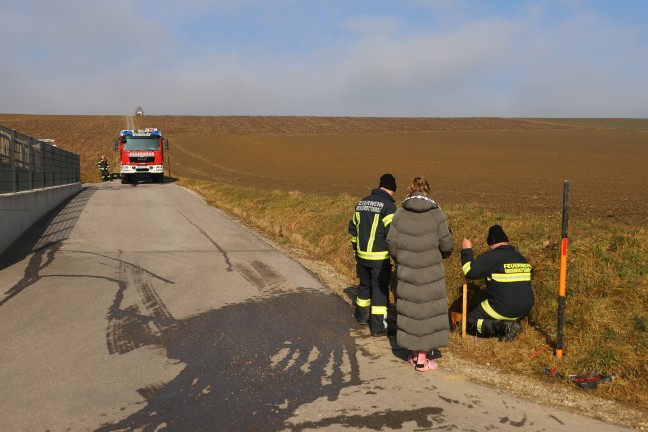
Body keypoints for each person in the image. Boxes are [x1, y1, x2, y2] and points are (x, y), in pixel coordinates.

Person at [386, 176, 454, 372]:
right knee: (426, 312)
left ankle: (415, 354)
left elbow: (391, 242)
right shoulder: (436, 213)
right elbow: (447, 243)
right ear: (427, 191)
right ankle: (423, 360)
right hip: (430, 270)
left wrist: (401, 258)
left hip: (406, 270)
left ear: (410, 190)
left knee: (411, 310)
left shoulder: (400, 213)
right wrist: (442, 254)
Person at [461, 224, 534, 341]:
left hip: (505, 308)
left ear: (492, 244)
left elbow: (470, 272)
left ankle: (504, 326)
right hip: (525, 309)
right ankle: (511, 323)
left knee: (470, 322)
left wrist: (466, 251)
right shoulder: (520, 257)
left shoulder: (493, 256)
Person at [348, 174, 397, 336]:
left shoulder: (362, 202)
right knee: (379, 290)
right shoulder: (388, 206)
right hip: (379, 258)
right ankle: (378, 327)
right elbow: (393, 234)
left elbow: (353, 228)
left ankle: (361, 316)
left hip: (362, 256)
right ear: (392, 189)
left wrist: (356, 250)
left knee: (364, 285)